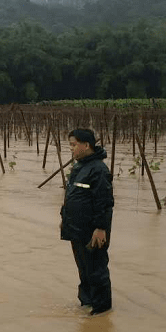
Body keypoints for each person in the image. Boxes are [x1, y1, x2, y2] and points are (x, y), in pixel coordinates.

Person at [60, 128, 114, 315]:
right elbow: (72, 196)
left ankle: (101, 311)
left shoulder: (98, 170)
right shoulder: (79, 167)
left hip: (92, 230)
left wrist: (100, 228)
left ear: (86, 145)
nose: (71, 149)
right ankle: (87, 305)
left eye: (74, 145)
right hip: (76, 229)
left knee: (96, 269)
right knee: (83, 270)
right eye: (70, 145)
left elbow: (104, 203)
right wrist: (64, 220)